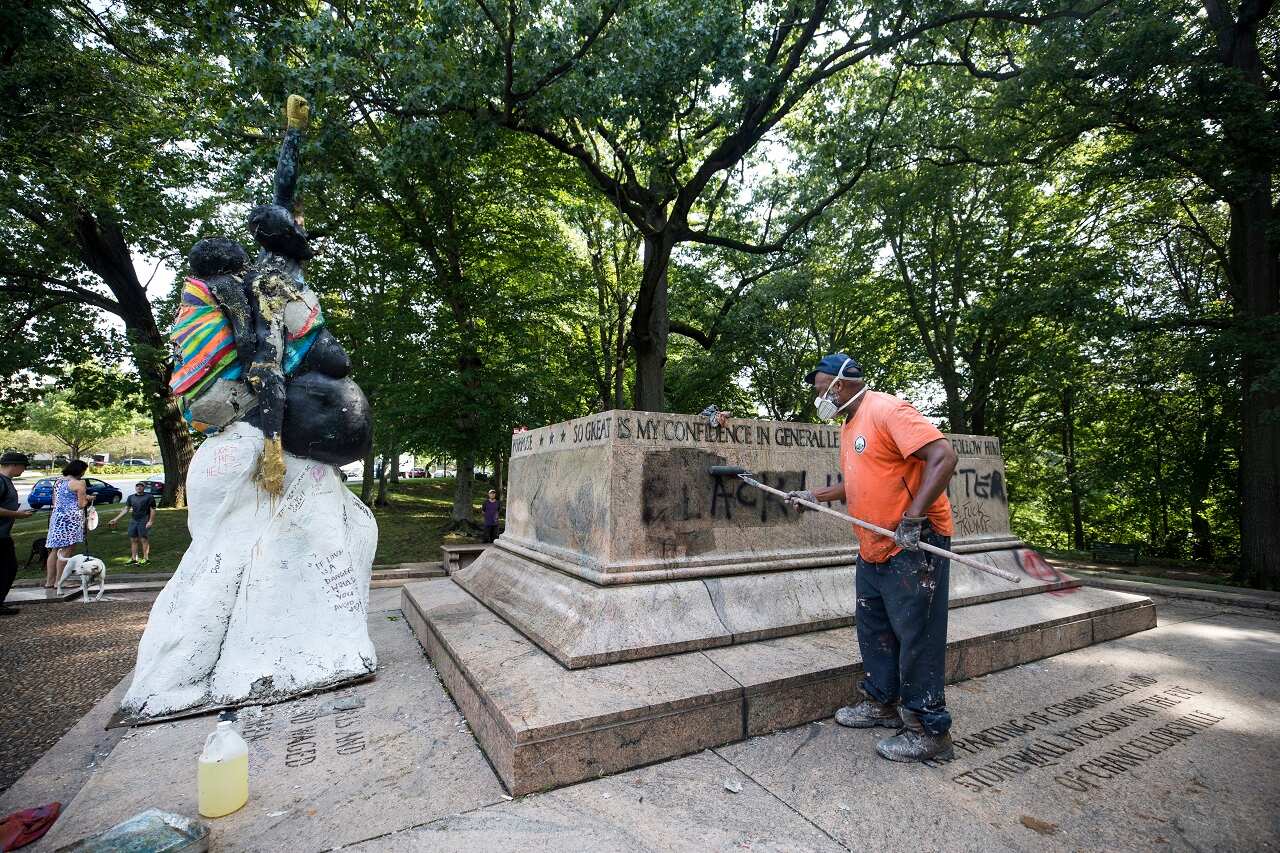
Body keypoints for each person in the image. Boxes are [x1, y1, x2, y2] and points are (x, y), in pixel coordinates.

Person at [787, 353, 958, 763]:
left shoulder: (888, 410)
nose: (819, 399)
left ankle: (928, 729)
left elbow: (944, 457)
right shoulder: (850, 426)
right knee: (875, 627)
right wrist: (816, 496)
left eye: (820, 391)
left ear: (841, 385)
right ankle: (881, 702)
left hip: (913, 544)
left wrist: (914, 517)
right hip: (874, 546)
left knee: (917, 635)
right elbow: (862, 482)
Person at [45, 459, 93, 589]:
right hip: (71, 521)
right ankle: (60, 582)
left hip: (57, 519)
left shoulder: (59, 482)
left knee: (55, 551)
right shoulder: (79, 483)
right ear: (80, 471)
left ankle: (50, 581)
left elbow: (56, 501)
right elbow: (81, 504)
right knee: (66, 552)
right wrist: (87, 498)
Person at [0, 452, 34, 615]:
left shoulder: (7, 481)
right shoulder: (1, 481)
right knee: (8, 568)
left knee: (8, 569)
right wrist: (18, 514)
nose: (24, 470)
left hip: (4, 534)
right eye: (23, 466)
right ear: (14, 465)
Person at [109, 482, 157, 565]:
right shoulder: (131, 497)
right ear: (135, 488)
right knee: (133, 539)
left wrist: (151, 521)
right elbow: (126, 509)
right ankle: (134, 559)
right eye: (137, 486)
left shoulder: (149, 497)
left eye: (141, 486)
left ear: (144, 488)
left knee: (144, 539)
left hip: (144, 519)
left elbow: (153, 509)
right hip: (134, 520)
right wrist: (116, 519)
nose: (139, 488)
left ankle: (146, 559)